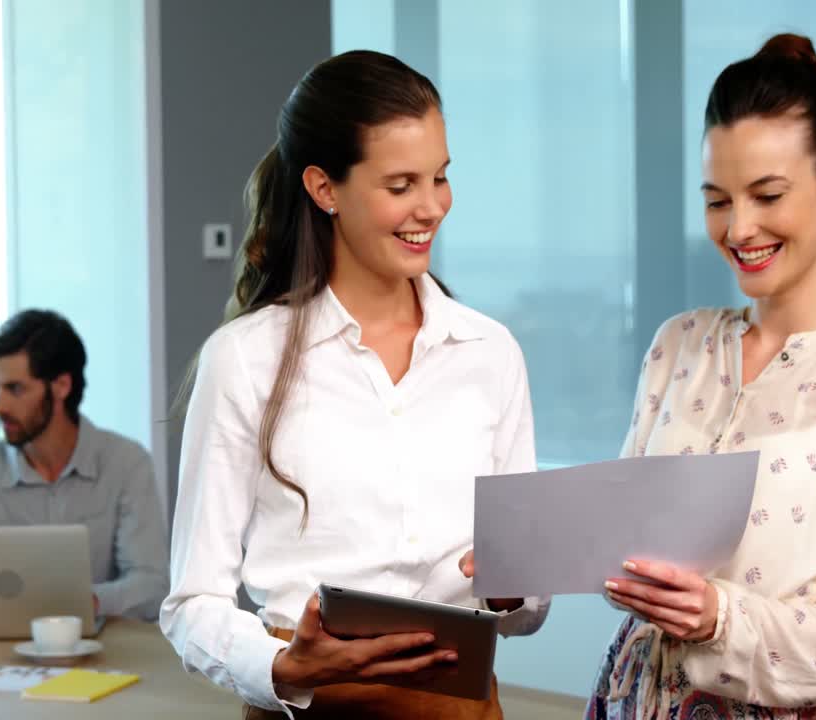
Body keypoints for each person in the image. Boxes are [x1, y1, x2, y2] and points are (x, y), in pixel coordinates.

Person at [160, 50, 548, 719]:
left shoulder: (491, 354)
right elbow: (191, 605)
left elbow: (526, 606)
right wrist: (282, 665)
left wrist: (513, 590)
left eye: (441, 178)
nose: (431, 207)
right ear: (324, 188)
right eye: (400, 185)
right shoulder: (245, 360)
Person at [585, 34, 816, 719]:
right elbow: (623, 545)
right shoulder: (679, 344)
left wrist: (721, 616)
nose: (740, 227)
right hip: (626, 700)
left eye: (767, 194)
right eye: (718, 200)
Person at [0, 309, 169, 622]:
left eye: (15, 389)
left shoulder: (125, 463)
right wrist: (15, 607)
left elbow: (152, 587)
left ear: (61, 386)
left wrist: (82, 603)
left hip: (102, 661)